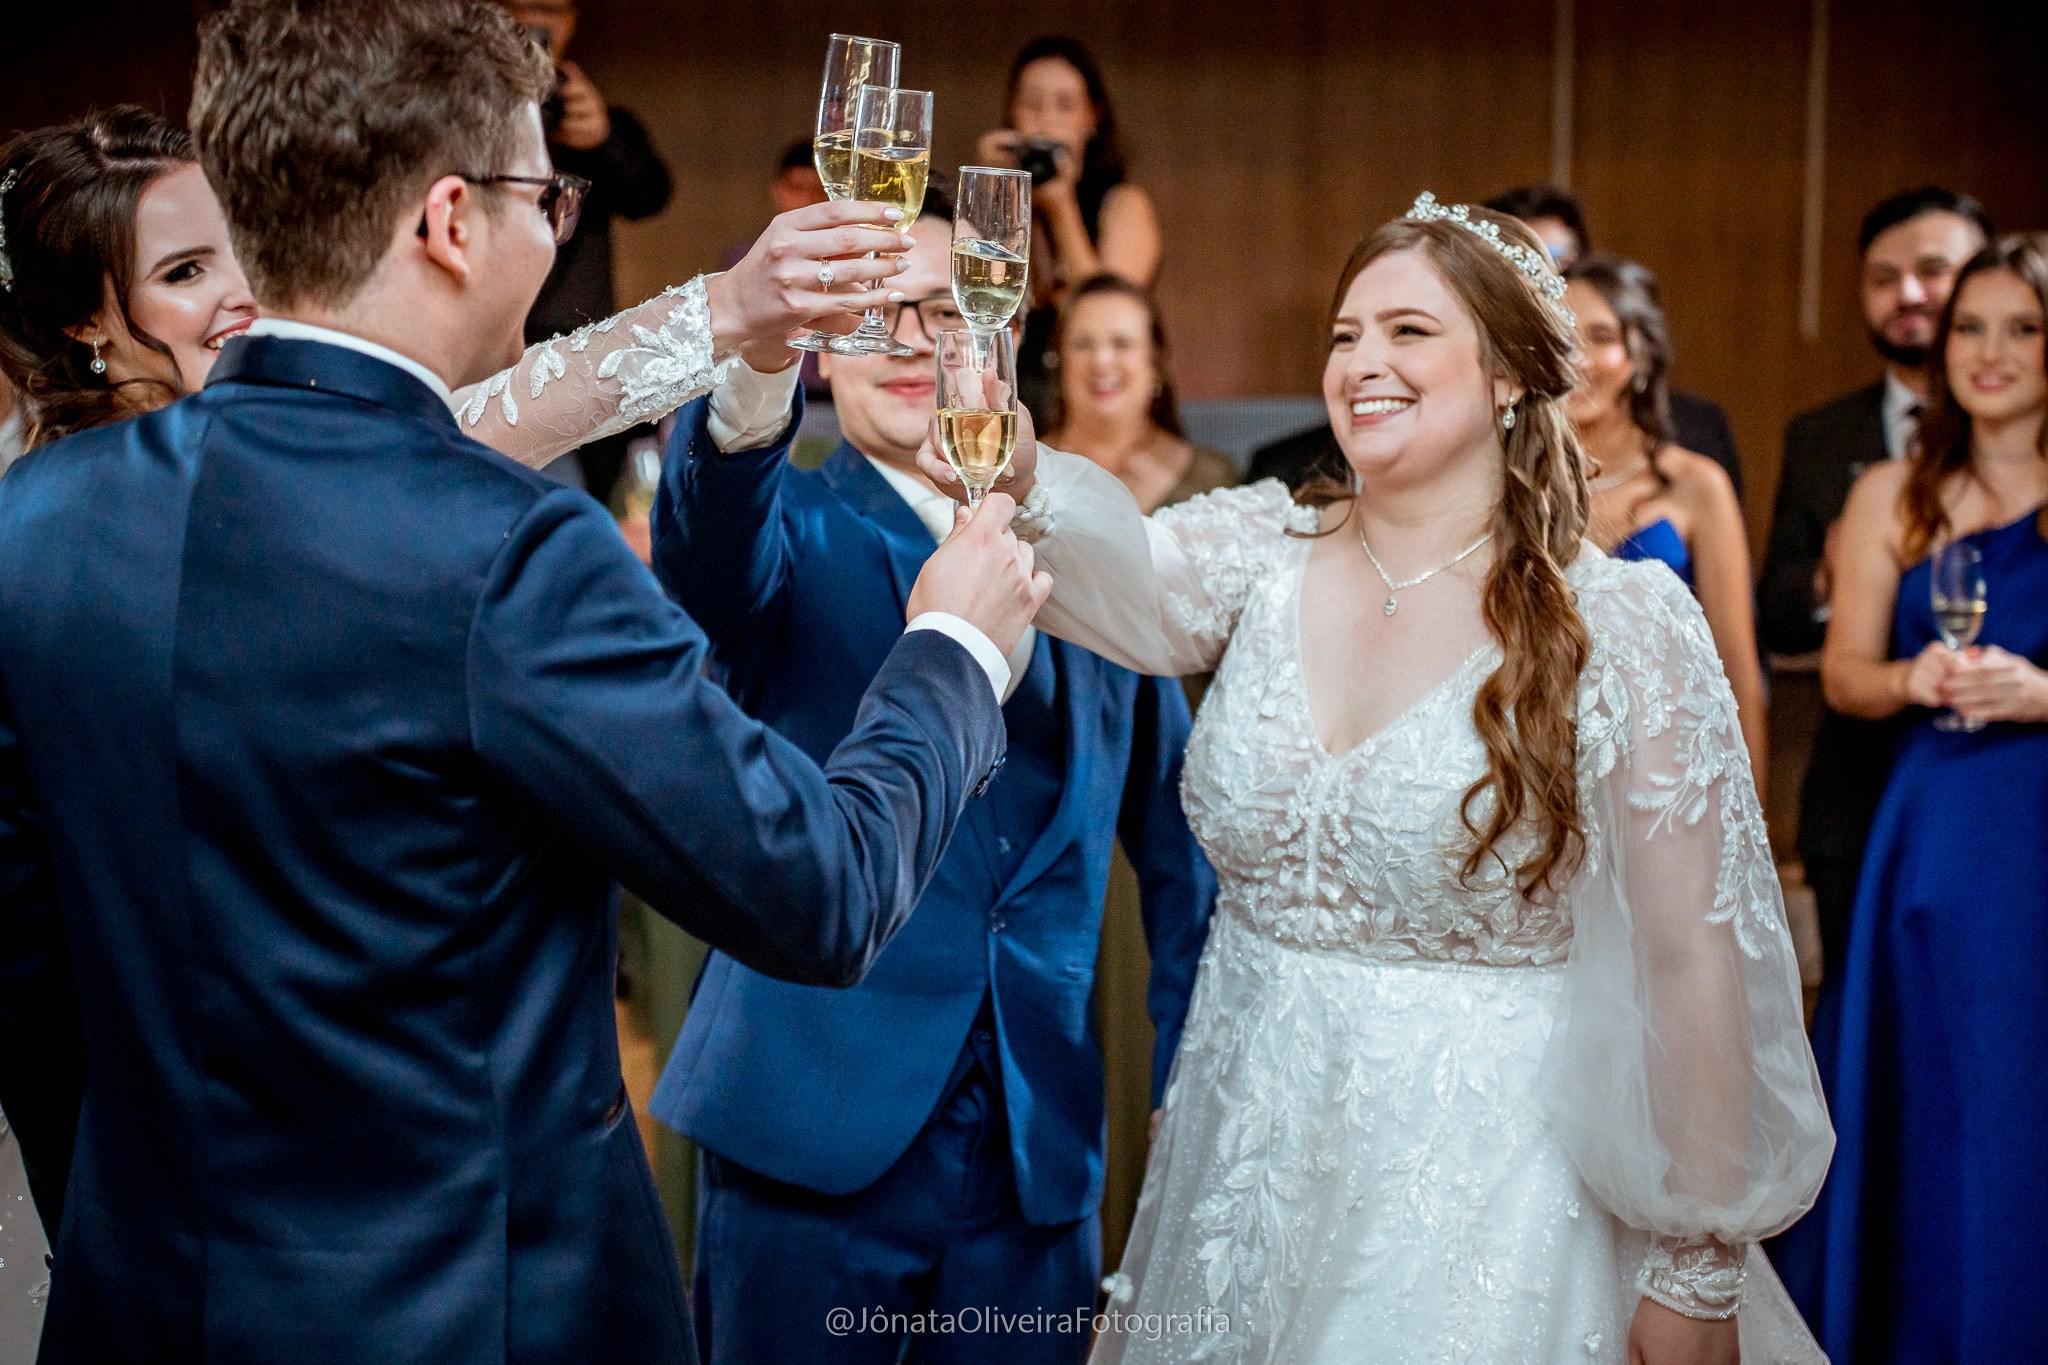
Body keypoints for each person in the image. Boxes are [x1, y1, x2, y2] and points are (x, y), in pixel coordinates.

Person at [0, 3, 1049, 1359]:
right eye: (543, 192)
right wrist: (953, 651)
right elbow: (821, 888)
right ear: (450, 223)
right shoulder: (510, 549)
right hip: (477, 1309)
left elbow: (29, 976)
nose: (555, 225)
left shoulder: (41, 522)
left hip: (146, 1296)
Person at [922, 195, 1832, 1363]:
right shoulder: (1264, 549)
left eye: (1408, 331)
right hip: (1247, 1163)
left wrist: (1696, 1269)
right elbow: (1114, 572)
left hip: (1490, 1197)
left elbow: (1688, 953)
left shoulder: (1621, 622)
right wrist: (995, 421)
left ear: (1508, 373)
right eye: (1345, 335)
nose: (1362, 362)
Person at [647, 204, 1215, 1365]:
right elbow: (706, 547)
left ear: (1007, 338)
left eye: (951, 313)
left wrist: (1188, 1081)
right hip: (808, 1122)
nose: (913, 342)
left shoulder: (1095, 563)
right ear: (821, 349)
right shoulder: (789, 531)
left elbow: (1183, 856)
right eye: (872, 316)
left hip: (1034, 1147)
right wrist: (753, 365)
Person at [1788, 232, 2048, 1362]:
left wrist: (2040, 692)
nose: (1987, 354)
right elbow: (1843, 675)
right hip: (1933, 829)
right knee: (1939, 1084)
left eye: (2021, 329)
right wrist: (1914, 676)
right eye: (1968, 328)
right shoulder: (1895, 489)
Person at [1757, 187, 1992, 985]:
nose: (1910, 295)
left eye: (1933, 271)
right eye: (1884, 278)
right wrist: (1834, 581)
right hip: (1857, 791)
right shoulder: (1821, 438)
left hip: (2001, 784)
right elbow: (1777, 615)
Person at [1566, 253, 1767, 779]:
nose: (1575, 358)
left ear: (1642, 357)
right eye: (1559, 335)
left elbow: (1738, 672)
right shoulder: (1512, 489)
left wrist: (1751, 831)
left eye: (1601, 337)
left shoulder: (1695, 485)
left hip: (1666, 768)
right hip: (1547, 766)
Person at [496, 0, 675, 497]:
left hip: (576, 340)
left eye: (552, 10)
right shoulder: (457, 111)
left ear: (574, 19)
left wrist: (604, 139)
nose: (537, 24)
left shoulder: (596, 116)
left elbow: (651, 194)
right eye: (522, 7)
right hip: (486, 343)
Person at [1487, 183, 1744, 498]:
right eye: (1516, 263)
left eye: (1554, 260)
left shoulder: (1695, 432)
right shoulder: (1484, 428)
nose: (1542, 281)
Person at [975, 36, 1160, 416]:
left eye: (1064, 104)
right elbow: (978, 303)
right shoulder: (999, 202)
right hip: (1010, 398)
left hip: (1102, 401)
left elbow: (1101, 312)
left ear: (1093, 117)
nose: (1046, 120)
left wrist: (1061, 206)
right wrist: (991, 190)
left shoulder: (1124, 204)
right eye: (1032, 103)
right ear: (1012, 114)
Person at [1044, 274, 1232, 513]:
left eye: (1122, 343)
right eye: (1082, 344)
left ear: (1155, 364)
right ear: (1058, 361)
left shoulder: (1211, 481)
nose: (1101, 361)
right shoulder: (1020, 476)